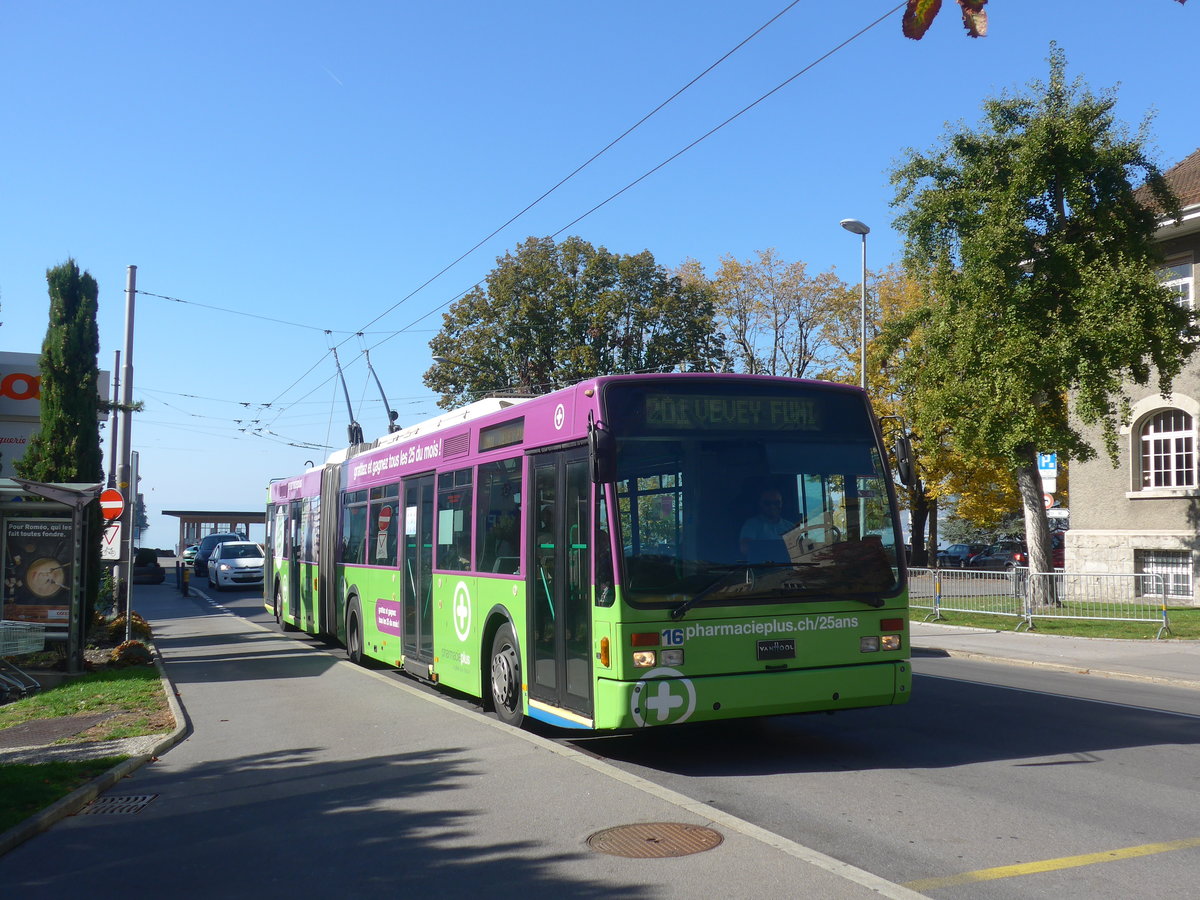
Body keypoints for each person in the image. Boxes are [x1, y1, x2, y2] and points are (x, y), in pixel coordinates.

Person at [739, 489, 795, 559]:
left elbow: (800, 550)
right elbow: (746, 549)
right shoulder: (751, 525)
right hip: (762, 568)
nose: (772, 506)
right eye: (767, 503)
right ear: (760, 504)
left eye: (777, 503)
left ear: (782, 503)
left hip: (789, 568)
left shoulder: (791, 526)